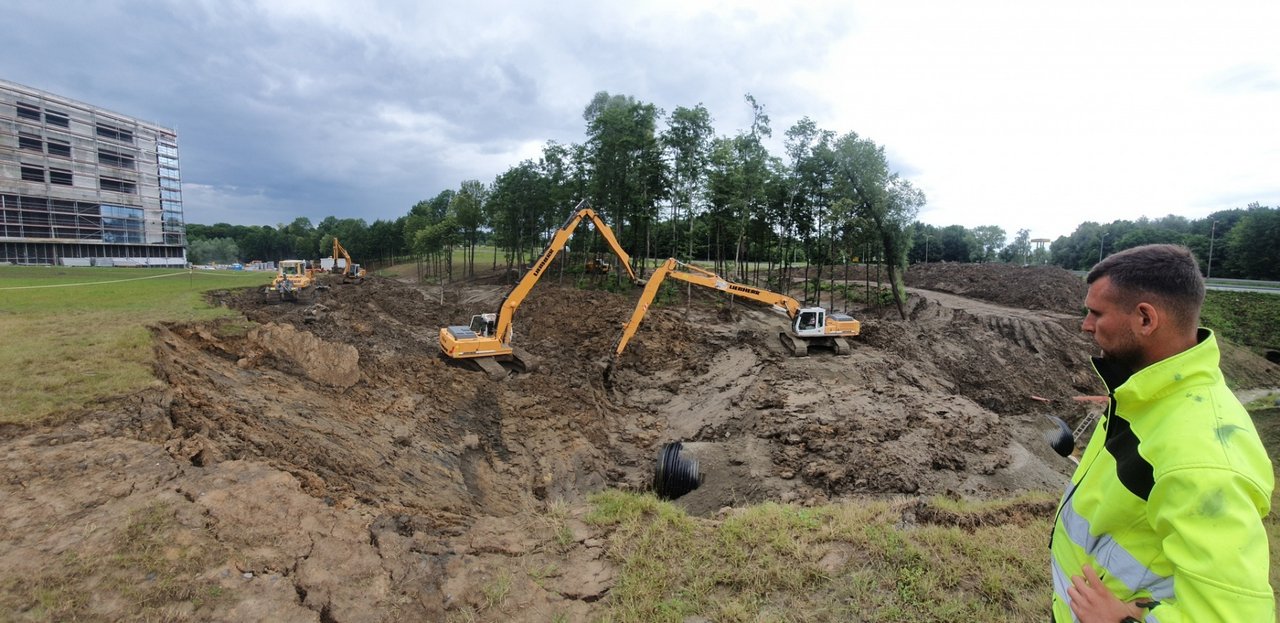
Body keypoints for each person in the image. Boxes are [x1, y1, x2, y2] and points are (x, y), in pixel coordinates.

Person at [1051, 244, 1274, 622]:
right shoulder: (1145, 397)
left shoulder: (1203, 459)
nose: (1085, 325)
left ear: (1145, 319)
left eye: (1096, 313)